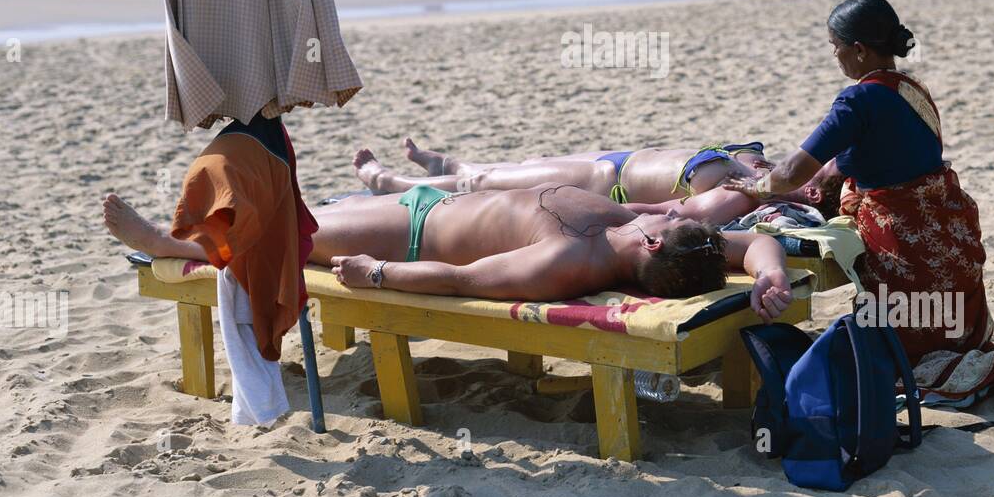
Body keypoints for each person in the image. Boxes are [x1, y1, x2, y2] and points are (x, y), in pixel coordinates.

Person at [721, 0, 994, 418]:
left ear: (857, 50)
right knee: (947, 329)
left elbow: (795, 171)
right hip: (950, 233)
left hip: (908, 241)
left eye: (835, 48)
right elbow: (883, 154)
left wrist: (758, 186)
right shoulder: (912, 89)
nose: (835, 58)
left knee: (904, 359)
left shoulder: (856, 101)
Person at [103, 183, 794, 319]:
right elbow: (756, 240)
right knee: (300, 213)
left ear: (650, 242)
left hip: (410, 232)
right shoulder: (661, 238)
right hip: (434, 199)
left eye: (667, 218)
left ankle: (170, 245)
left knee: (293, 236)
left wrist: (380, 273)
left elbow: (465, 281)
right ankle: (198, 229)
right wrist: (771, 277)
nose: (673, 210)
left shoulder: (568, 264)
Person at [351, 138, 826, 208]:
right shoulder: (759, 163)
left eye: (814, 179)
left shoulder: (736, 192)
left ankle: (387, 183)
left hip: (604, 184)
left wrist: (796, 200)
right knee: (513, 168)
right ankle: (444, 165)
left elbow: (663, 215)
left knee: (481, 186)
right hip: (617, 158)